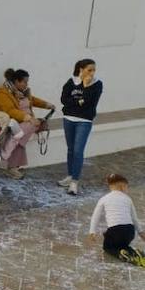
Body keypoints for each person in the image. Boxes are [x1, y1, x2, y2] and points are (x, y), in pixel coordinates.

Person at [0, 67, 54, 178]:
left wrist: (46, 105)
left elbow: (32, 100)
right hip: (9, 122)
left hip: (22, 123)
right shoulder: (2, 92)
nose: (26, 84)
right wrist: (28, 118)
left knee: (20, 136)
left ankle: (12, 164)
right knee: (23, 133)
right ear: (16, 81)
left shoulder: (22, 92)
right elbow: (9, 110)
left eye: (27, 82)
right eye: (24, 82)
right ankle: (12, 166)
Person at [60, 59, 102, 196]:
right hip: (68, 119)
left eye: (94, 70)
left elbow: (90, 102)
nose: (92, 73)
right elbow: (63, 100)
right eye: (89, 70)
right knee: (71, 149)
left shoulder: (97, 84)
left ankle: (74, 182)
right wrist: (79, 101)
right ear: (81, 69)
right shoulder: (71, 81)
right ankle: (70, 176)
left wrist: (85, 86)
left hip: (84, 121)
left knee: (78, 151)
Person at [89, 173, 141, 261]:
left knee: (107, 247)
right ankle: (134, 253)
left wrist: (92, 231)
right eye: (127, 187)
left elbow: (95, 216)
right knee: (123, 245)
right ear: (122, 186)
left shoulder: (104, 198)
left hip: (115, 230)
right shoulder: (128, 199)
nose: (127, 189)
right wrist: (141, 232)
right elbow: (134, 218)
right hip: (130, 231)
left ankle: (121, 254)